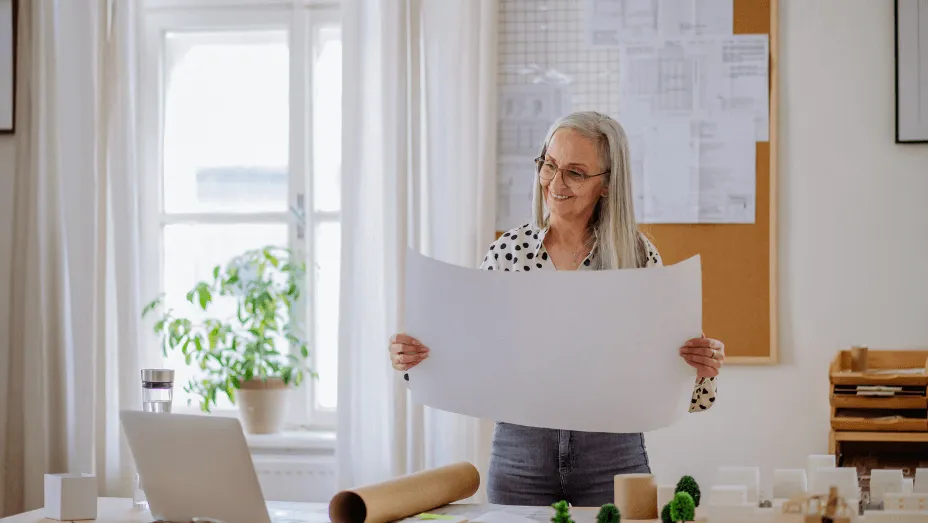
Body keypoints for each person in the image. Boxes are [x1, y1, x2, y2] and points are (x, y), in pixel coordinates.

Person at [388, 111, 725, 507]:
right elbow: (470, 353)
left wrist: (701, 369)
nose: (555, 182)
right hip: (520, 454)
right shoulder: (509, 252)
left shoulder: (638, 257)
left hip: (613, 454)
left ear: (607, 184)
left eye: (575, 173)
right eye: (549, 165)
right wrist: (416, 361)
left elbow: (683, 391)